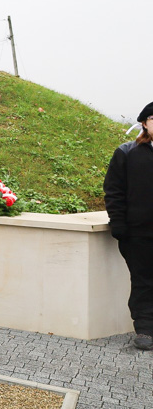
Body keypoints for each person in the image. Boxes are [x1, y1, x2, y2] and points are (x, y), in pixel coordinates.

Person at [104, 101, 153, 351]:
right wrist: (119, 224)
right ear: (144, 123)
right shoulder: (127, 152)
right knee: (143, 281)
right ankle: (145, 328)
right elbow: (113, 191)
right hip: (138, 233)